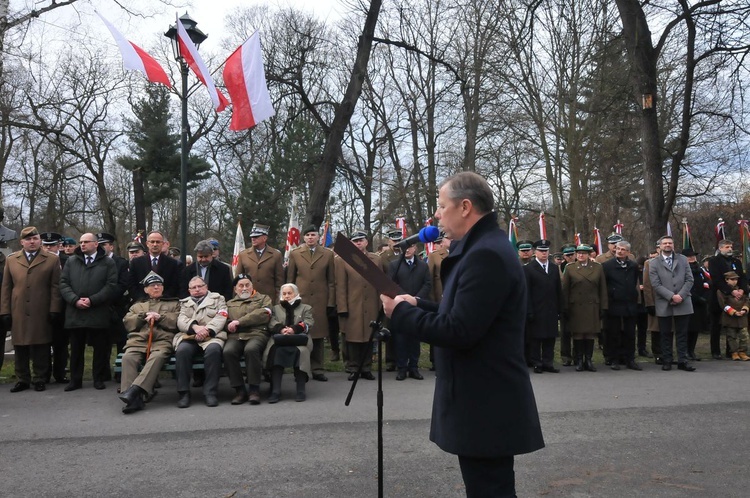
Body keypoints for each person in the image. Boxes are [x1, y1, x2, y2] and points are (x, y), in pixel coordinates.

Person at [381, 172, 544, 497]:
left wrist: (399, 313)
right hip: (483, 399)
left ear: (465, 206)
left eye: (442, 206)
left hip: (485, 402)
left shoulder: (485, 255)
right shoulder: (483, 248)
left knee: (490, 491)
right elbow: (463, 314)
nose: (438, 215)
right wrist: (418, 304)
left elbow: (459, 330)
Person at [0, 227, 63, 392]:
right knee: (20, 344)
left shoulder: (51, 259)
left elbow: (55, 286)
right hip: (18, 309)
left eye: (35, 238)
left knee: (41, 344)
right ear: (22, 242)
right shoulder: (12, 260)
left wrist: (54, 308)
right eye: (28, 239)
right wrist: (5, 311)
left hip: (41, 308)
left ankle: (40, 378)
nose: (32, 242)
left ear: (39, 240)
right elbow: (6, 287)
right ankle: (22, 379)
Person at [59, 233, 119, 391]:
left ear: (95, 244)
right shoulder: (71, 261)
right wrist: (74, 300)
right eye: (81, 242)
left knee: (100, 348)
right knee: (77, 348)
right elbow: (63, 283)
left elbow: (111, 285)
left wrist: (92, 300)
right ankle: (75, 380)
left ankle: (98, 378)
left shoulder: (108, 262)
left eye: (86, 242)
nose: (82, 245)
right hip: (75, 312)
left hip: (98, 311)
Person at [118, 272, 180, 414]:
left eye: (159, 285)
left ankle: (134, 391)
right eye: (152, 285)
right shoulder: (137, 306)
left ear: (163, 288)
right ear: (145, 289)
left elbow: (177, 321)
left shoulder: (174, 304)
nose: (156, 287)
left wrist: (160, 317)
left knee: (157, 357)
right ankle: (134, 399)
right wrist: (142, 316)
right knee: (128, 358)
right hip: (138, 340)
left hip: (162, 341)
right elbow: (128, 323)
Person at [335, 229, 387, 380]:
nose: (359, 243)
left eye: (361, 240)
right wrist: (342, 307)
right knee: (353, 338)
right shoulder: (342, 260)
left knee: (369, 338)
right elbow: (340, 286)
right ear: (351, 243)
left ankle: (366, 368)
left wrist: (381, 305)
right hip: (353, 304)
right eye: (355, 241)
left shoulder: (376, 259)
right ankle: (353, 367)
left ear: (366, 242)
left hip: (371, 303)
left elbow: (380, 283)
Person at [287, 225, 336, 380]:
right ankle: (301, 368)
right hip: (301, 300)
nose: (310, 238)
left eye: (313, 235)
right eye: (307, 235)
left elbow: (332, 281)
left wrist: (330, 302)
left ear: (318, 236)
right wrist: (289, 299)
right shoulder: (295, 254)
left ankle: (317, 368)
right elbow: (290, 279)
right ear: (303, 237)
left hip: (320, 301)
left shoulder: (327, 254)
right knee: (300, 332)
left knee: (318, 334)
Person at [175, 276, 228, 407]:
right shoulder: (184, 302)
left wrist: (207, 330)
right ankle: (184, 393)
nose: (197, 289)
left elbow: (222, 316)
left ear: (206, 287)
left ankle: (210, 392)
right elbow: (181, 320)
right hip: (190, 336)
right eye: (193, 288)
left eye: (200, 286)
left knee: (214, 351)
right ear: (189, 290)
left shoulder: (218, 299)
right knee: (182, 351)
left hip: (212, 336)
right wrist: (195, 327)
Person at [223, 273, 272, 405]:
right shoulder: (229, 303)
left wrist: (239, 322)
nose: (244, 288)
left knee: (251, 349)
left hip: (257, 333)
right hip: (236, 336)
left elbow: (263, 314)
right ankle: (239, 390)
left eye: (247, 285)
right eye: (241, 286)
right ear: (235, 289)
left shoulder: (263, 299)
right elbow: (224, 320)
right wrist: (229, 326)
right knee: (228, 351)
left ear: (252, 286)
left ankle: (254, 389)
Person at [649, 235, 695, 372]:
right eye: (665, 243)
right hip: (664, 302)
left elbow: (689, 280)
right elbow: (655, 284)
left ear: (673, 245)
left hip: (683, 301)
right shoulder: (654, 263)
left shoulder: (683, 259)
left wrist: (680, 295)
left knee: (682, 333)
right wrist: (671, 296)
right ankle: (667, 360)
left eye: (670, 243)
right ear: (660, 246)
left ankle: (683, 361)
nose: (668, 245)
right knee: (665, 334)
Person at [265, 283, 314, 403]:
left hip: (299, 340)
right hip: (280, 340)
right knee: (275, 353)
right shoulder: (276, 308)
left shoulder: (306, 308)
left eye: (290, 293)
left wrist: (294, 329)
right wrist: (282, 329)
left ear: (296, 294)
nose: (287, 296)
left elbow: (309, 321)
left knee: (301, 353)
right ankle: (275, 390)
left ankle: (300, 390)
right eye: (284, 293)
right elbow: (271, 322)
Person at [389, 242, 431, 380]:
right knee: (400, 339)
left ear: (415, 248)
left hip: (417, 307)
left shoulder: (423, 266)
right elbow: (391, 284)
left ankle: (414, 367)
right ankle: (402, 368)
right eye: (404, 248)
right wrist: (404, 297)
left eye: (410, 247)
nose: (407, 250)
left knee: (414, 339)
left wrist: (417, 298)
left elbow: (427, 284)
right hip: (400, 305)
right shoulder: (394, 265)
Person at [562, 244, 608, 372]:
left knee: (589, 334)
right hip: (575, 306)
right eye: (578, 253)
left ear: (589, 254)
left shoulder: (598, 268)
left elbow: (602, 288)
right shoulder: (570, 268)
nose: (580, 255)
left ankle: (588, 360)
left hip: (592, 305)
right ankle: (579, 360)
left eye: (583, 253)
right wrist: (564, 307)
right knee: (578, 334)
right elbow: (565, 290)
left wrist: (604, 306)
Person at [601, 240, 642, 371]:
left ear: (628, 252)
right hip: (614, 304)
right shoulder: (607, 266)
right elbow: (604, 285)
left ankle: (630, 359)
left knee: (630, 333)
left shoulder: (633, 265)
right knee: (614, 333)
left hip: (630, 304)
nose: (619, 251)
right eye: (618, 248)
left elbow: (635, 280)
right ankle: (614, 359)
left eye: (623, 249)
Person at [524, 239, 563, 374]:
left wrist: (560, 308)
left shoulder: (553, 268)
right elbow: (527, 292)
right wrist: (528, 310)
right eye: (541, 251)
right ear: (535, 252)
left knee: (550, 337)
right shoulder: (529, 269)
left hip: (551, 308)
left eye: (546, 251)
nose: (544, 253)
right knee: (536, 338)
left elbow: (558, 289)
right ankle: (536, 362)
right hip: (536, 309)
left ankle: (548, 362)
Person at [707, 240, 747, 359]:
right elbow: (716, 279)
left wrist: (742, 290)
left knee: (733, 325)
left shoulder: (736, 261)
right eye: (727, 247)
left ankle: (732, 350)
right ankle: (715, 351)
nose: (730, 249)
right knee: (716, 326)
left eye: (731, 246)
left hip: (735, 299)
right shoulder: (714, 261)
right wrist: (730, 291)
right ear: (720, 248)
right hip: (719, 296)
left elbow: (742, 278)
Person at [129, 230, 183, 302]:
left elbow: (174, 285)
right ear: (147, 243)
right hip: (142, 303)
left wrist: (163, 298)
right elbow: (132, 285)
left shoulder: (172, 263)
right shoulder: (136, 263)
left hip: (165, 302)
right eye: (152, 242)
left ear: (163, 244)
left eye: (158, 242)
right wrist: (142, 299)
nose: (155, 244)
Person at [235, 223, 284, 299]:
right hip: (248, 298)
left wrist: (278, 300)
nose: (253, 239)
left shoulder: (275, 255)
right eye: (252, 237)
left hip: (268, 298)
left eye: (256, 237)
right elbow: (238, 279)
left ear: (264, 238)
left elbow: (279, 281)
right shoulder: (243, 255)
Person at [716, 271, 750, 361]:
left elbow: (747, 300)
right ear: (726, 280)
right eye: (732, 279)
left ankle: (743, 351)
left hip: (742, 316)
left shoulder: (742, 289)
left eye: (736, 279)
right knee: (731, 336)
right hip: (729, 317)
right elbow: (723, 304)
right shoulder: (722, 291)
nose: (734, 281)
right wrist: (733, 312)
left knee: (744, 335)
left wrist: (745, 309)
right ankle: (734, 352)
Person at [685, 248, 710, 361]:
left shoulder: (699, 270)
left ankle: (692, 351)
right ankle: (685, 351)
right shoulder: (683, 269)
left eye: (693, 256)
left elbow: (706, 282)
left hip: (700, 304)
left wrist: (704, 297)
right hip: (688, 302)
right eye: (689, 256)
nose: (692, 258)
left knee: (695, 329)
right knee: (687, 329)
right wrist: (696, 297)